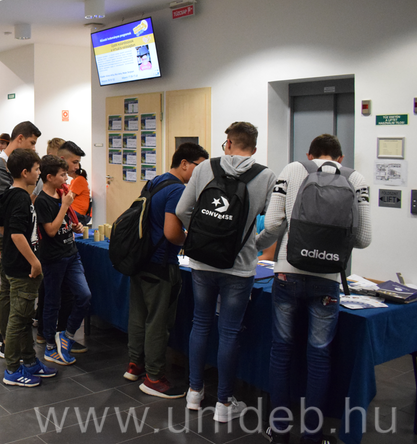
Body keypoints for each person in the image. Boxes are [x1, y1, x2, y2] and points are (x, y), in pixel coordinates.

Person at [263, 134, 372, 444]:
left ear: (310, 155)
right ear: (340, 158)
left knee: (281, 351)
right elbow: (363, 239)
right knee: (319, 356)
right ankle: (312, 435)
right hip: (327, 278)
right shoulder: (356, 179)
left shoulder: (292, 169)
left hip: (287, 272)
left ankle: (278, 430)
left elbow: (272, 224)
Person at [175, 122, 277, 422]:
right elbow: (275, 223)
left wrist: (201, 235)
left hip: (202, 263)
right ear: (254, 148)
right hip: (239, 267)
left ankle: (194, 392)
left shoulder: (205, 168)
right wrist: (255, 245)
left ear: (228, 143)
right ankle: (224, 404)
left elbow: (182, 210)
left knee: (200, 323)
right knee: (229, 332)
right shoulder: (266, 176)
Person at [124, 142, 208, 398]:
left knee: (139, 316)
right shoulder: (178, 190)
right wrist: (192, 240)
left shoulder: (155, 181)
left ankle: (135, 365)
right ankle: (154, 377)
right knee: (158, 322)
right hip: (161, 265)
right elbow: (172, 233)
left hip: (140, 260)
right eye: (199, 167)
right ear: (184, 163)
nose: (201, 173)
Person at [0, 148, 57, 386]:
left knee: (20, 318)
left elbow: (2, 225)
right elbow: (17, 234)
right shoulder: (21, 198)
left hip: (11, 263)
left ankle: (29, 361)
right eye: (37, 169)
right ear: (25, 172)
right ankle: (12, 369)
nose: (39, 173)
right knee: (19, 320)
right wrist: (34, 261)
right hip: (22, 269)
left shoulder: (11, 194)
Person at [0, 121, 41, 357]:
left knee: (12, 293)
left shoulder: (9, 171)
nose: (33, 148)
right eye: (31, 143)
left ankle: (12, 342)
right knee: (12, 294)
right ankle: (9, 342)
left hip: (14, 237)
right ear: (20, 139)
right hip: (11, 240)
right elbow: (8, 213)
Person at [35, 155, 90, 368]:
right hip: (54, 258)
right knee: (52, 301)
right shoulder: (43, 200)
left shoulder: (62, 194)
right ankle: (50, 345)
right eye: (62, 174)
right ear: (49, 177)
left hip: (71, 253)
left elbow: (65, 222)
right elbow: (50, 230)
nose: (66, 178)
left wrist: (75, 226)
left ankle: (66, 335)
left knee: (84, 295)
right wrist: (65, 207)